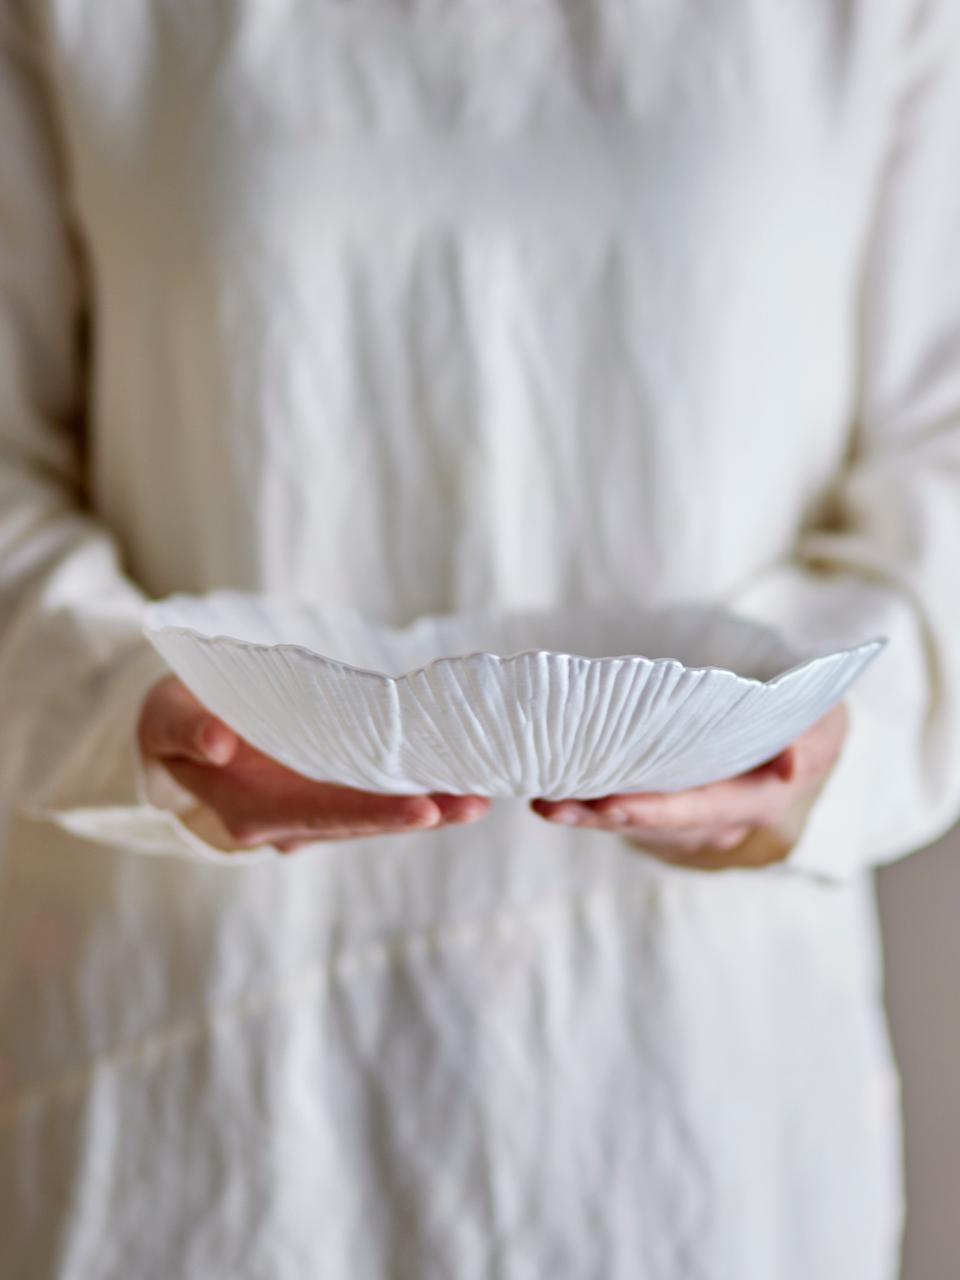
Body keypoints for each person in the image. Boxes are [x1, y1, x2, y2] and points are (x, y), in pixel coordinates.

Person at [1, 2, 958, 1276]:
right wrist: (123, 697)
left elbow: (937, 454)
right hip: (208, 1105)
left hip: (699, 1103)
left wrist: (832, 731)